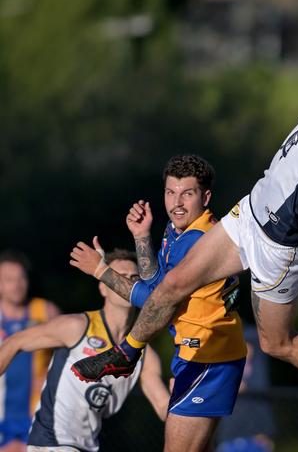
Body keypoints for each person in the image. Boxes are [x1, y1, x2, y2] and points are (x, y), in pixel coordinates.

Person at [71, 0, 298, 439]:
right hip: (248, 216)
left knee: (279, 344)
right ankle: (127, 353)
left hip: (280, 247)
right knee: (173, 283)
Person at [70, 154, 247, 452]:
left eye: (187, 194)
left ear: (205, 196)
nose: (176, 203)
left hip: (208, 357)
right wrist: (141, 236)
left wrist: (100, 270)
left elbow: (156, 302)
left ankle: (124, 354)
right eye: (170, 192)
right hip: (199, 353)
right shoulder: (178, 229)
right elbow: (156, 282)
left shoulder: (198, 240)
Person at [0, 249, 169, 452]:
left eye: (134, 278)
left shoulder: (145, 355)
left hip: (87, 445)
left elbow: (162, 406)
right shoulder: (77, 326)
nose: (127, 283)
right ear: (103, 288)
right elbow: (15, 342)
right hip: (52, 441)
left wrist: (183, 403)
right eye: (119, 277)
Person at [0, 251, 60, 452]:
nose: (17, 285)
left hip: (38, 415)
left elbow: (69, 355)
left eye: (21, 278)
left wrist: (52, 376)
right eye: (9, 279)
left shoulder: (46, 311)